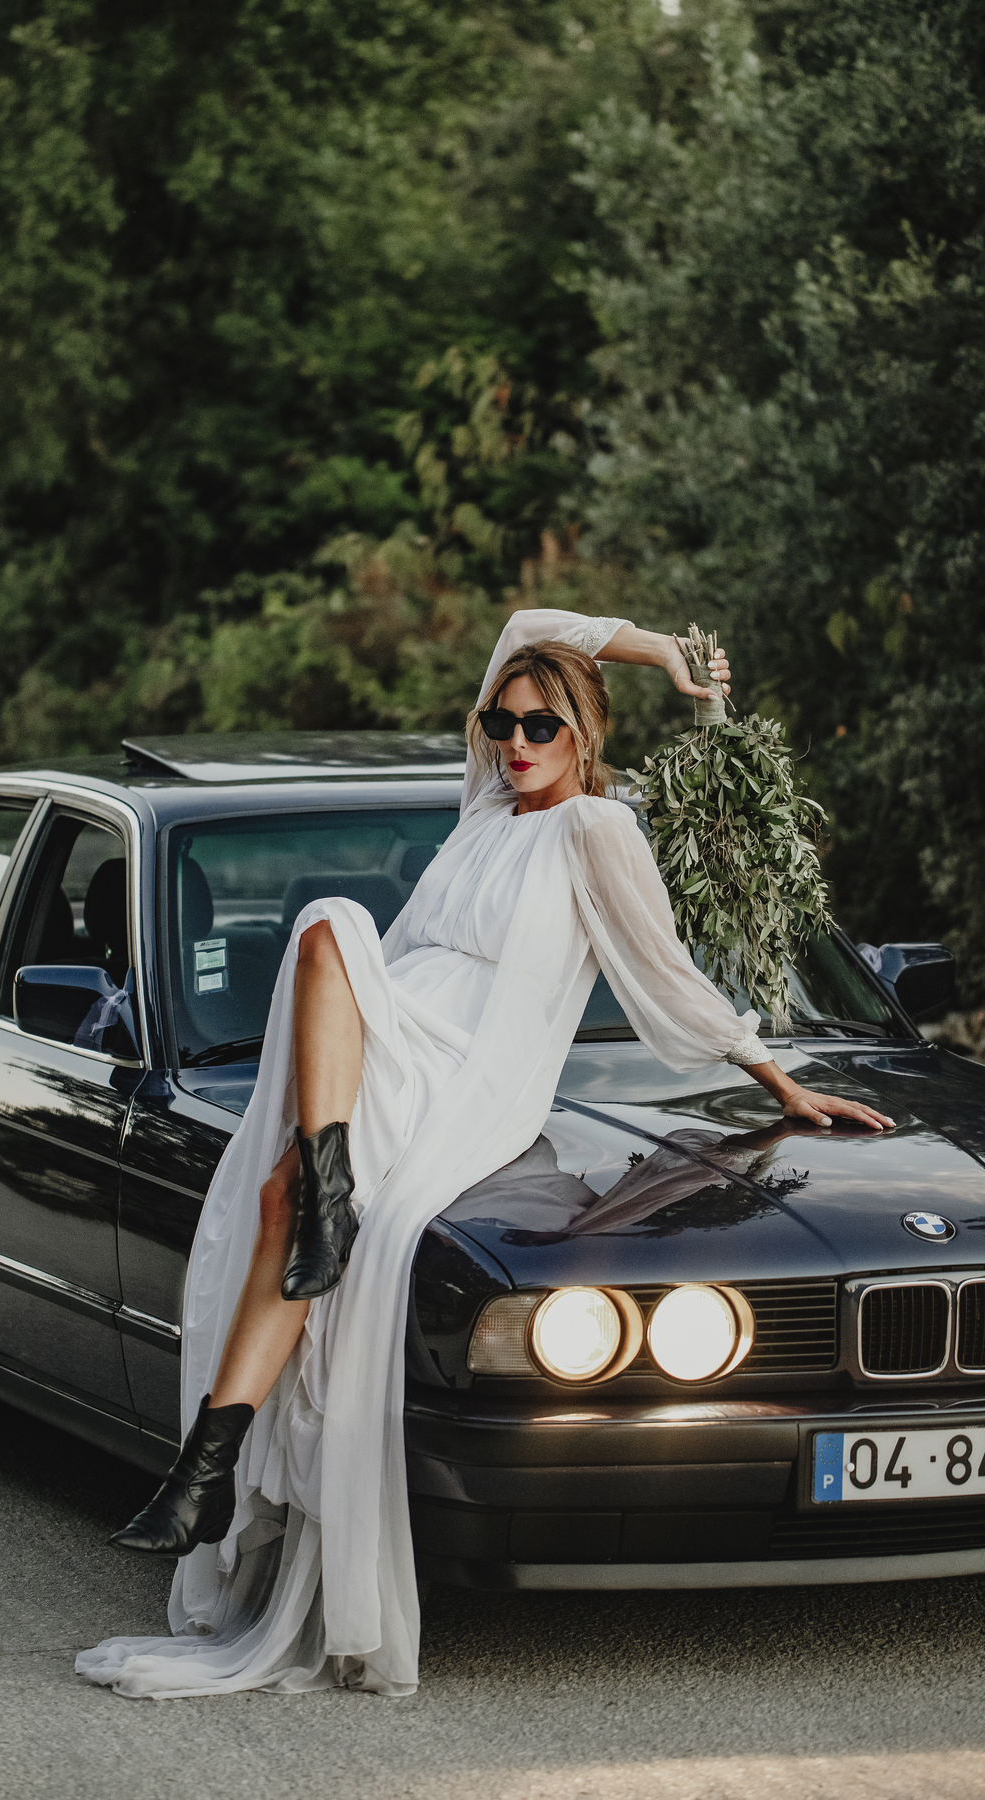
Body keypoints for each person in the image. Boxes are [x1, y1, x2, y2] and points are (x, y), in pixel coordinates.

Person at [77, 611, 892, 1701]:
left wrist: (779, 1079)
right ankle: (207, 1472)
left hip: (464, 1069)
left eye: (540, 726)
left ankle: (318, 1223)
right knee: (279, 1195)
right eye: (500, 723)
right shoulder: (484, 808)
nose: (515, 743)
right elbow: (524, 626)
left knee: (327, 925)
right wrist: (658, 647)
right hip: (377, 1050)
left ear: (584, 733)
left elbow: (668, 973)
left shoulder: (597, 830)